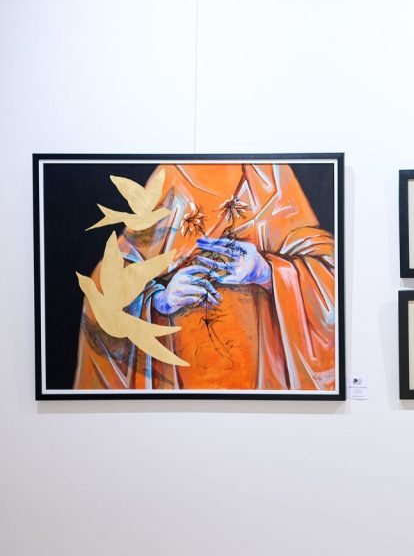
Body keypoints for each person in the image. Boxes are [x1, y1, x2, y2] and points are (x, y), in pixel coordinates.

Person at [73, 163, 337, 391]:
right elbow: (106, 289)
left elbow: (331, 278)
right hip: (177, 382)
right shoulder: (173, 177)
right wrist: (160, 300)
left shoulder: (271, 177)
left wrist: (265, 270)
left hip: (263, 381)